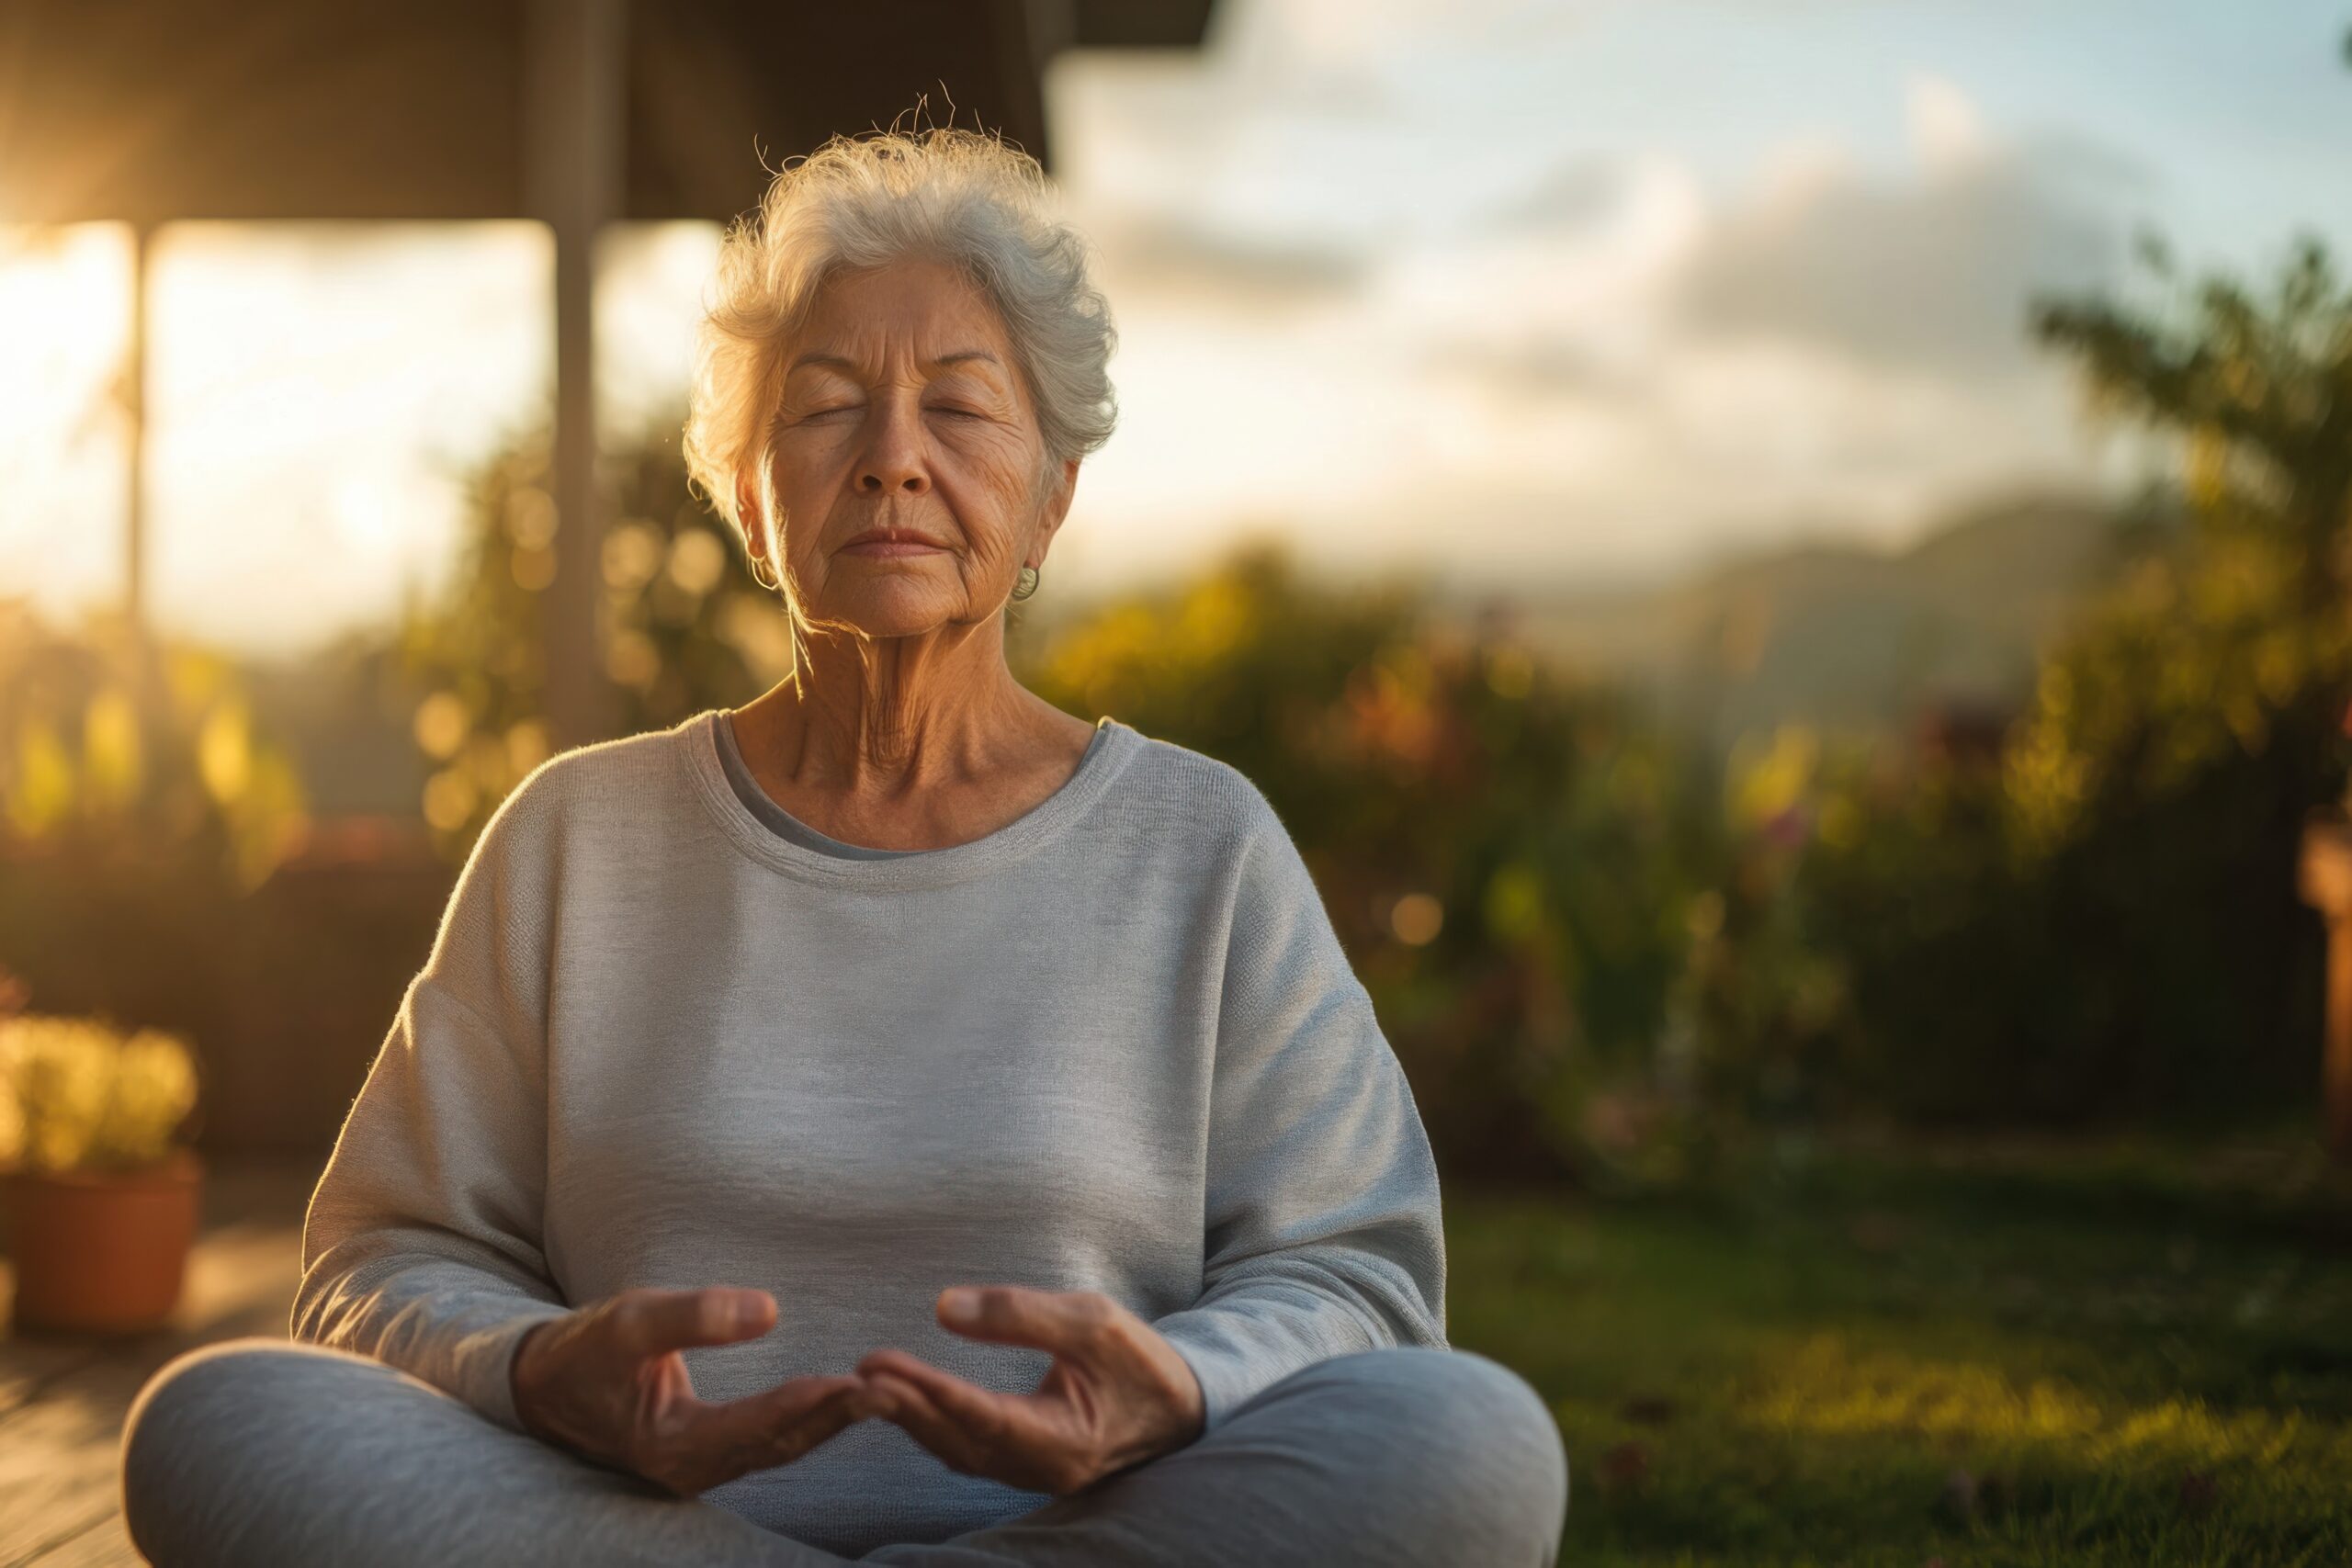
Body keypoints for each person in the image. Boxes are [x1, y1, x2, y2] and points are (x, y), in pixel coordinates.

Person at [119, 126, 1568, 1567]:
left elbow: (1358, 1272)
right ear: (751, 499)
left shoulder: (1201, 844)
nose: (891, 462)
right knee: (221, 1425)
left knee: (1470, 1444)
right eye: (824, 410)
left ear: (1051, 494)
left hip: (1089, 1529)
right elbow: (382, 1256)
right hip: (644, 1534)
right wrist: (542, 1369)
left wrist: (1180, 1385)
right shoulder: (576, 835)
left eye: (959, 407)